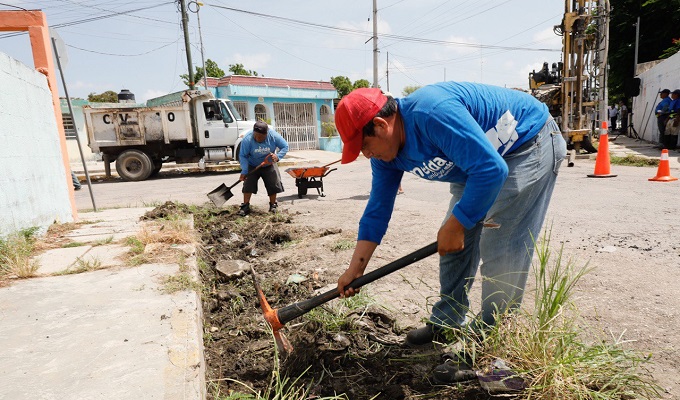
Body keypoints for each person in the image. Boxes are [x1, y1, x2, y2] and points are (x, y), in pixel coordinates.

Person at [333, 82, 567, 384]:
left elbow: (492, 170)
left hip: (526, 144)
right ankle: (447, 323)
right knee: (453, 244)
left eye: (364, 146)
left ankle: (491, 351)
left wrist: (458, 224)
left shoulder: (431, 113)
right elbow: (377, 209)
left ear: (380, 125)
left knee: (501, 245)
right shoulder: (386, 155)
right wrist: (355, 269)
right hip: (480, 161)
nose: (366, 155)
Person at [237, 121, 289, 216]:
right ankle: (245, 206)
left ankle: (273, 205)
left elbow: (285, 146)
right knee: (248, 185)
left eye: (261, 137)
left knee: (273, 184)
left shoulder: (273, 136)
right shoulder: (247, 139)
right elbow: (243, 156)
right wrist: (244, 171)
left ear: (266, 134)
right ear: (253, 132)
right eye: (256, 136)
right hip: (252, 164)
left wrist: (278, 157)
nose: (258, 139)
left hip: (269, 163)